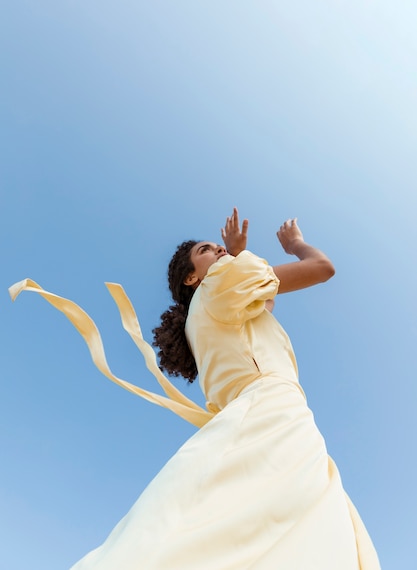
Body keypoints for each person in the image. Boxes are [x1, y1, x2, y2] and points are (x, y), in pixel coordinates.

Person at [9, 208, 380, 569]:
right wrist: (295, 243)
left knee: (249, 525)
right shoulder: (219, 288)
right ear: (191, 278)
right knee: (287, 525)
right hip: (269, 408)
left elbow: (264, 301)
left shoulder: (218, 303)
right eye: (206, 250)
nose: (218, 250)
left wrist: (234, 255)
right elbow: (321, 269)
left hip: (264, 412)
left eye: (217, 248)